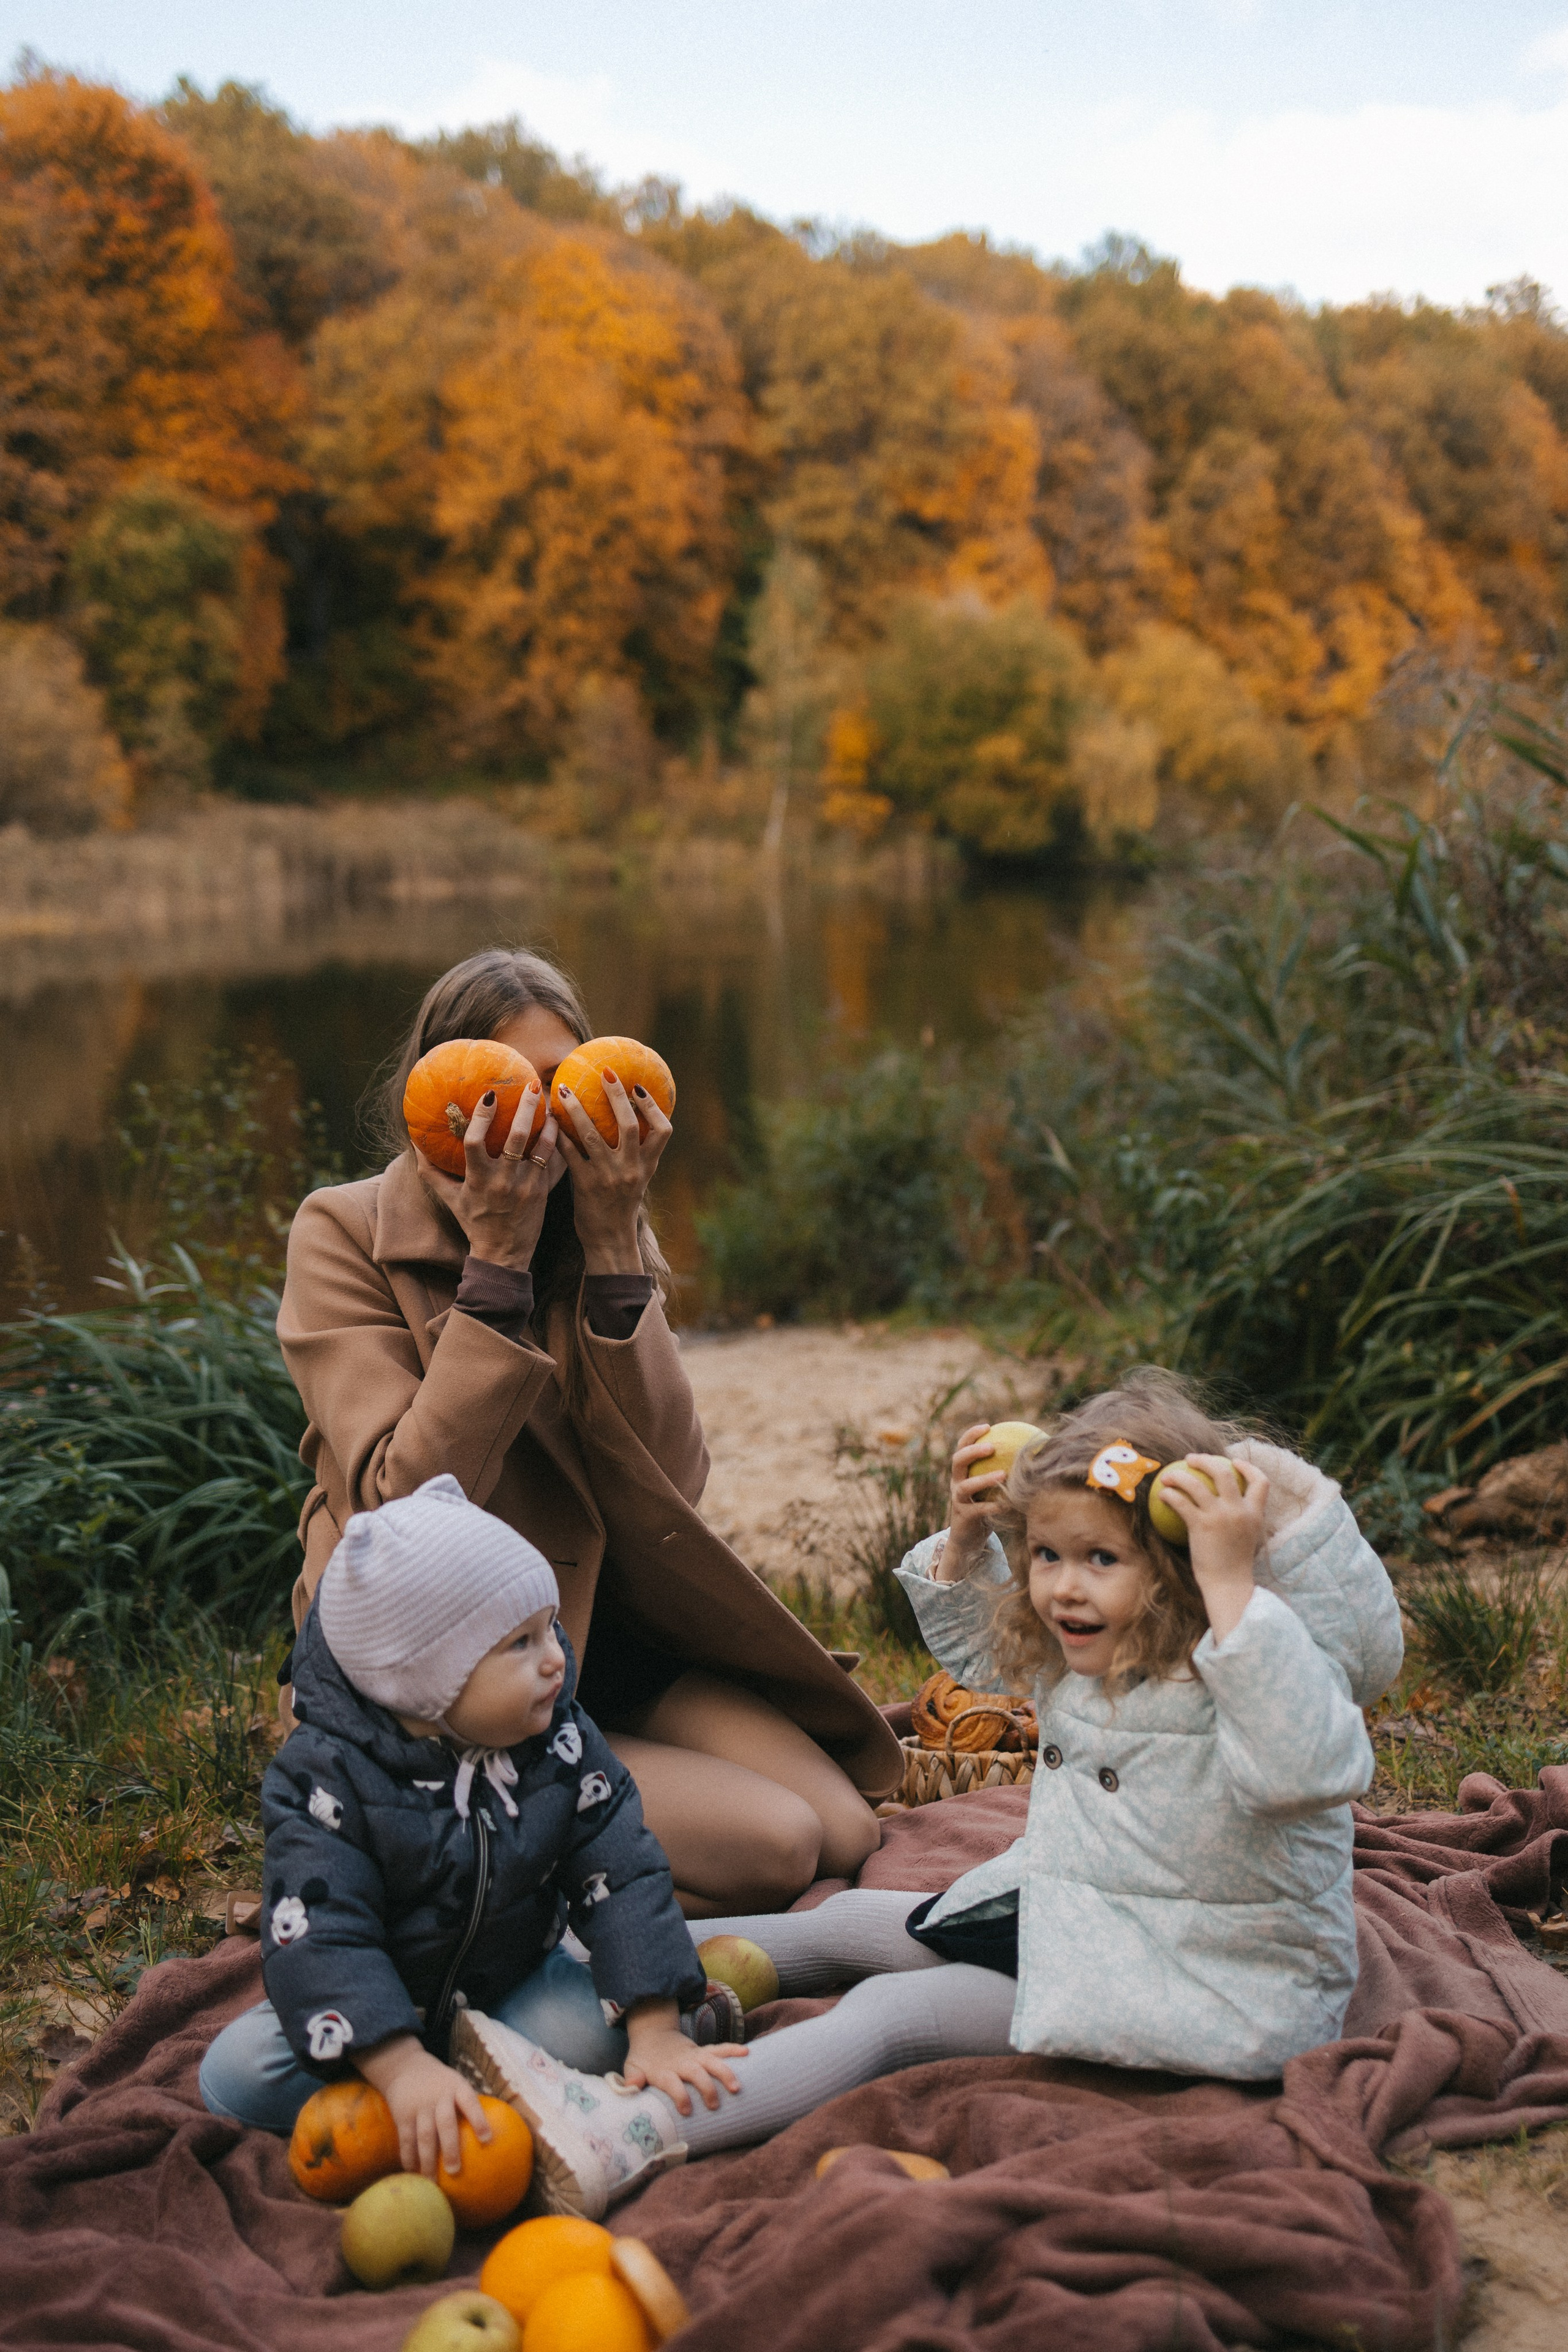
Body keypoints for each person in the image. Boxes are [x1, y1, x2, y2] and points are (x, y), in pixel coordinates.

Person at [447, 1370, 1404, 2218]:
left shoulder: (1245, 1662)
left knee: (889, 2020)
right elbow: (987, 1648)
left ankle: (628, 2132)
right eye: (1049, 1556)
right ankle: (564, 1953)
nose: (1064, 1589)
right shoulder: (1102, 1649)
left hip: (1201, 1984)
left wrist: (1236, 1582)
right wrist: (970, 1534)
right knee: (853, 1924)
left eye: (1101, 1560)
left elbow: (1308, 1769)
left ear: (1184, 1565)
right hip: (1101, 1914)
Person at [276, 946, 899, 1914]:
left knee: (850, 1829)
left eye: (560, 1089)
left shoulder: (593, 1216)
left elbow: (673, 1480)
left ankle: (563, 1882)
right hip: (449, 1676)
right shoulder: (344, 1232)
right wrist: (494, 1276)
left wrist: (613, 1247)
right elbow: (400, 1512)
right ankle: (478, 1904)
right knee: (779, 1849)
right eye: (503, 1094)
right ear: (442, 1100)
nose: (536, 1129)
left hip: (598, 1631)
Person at [199, 1476, 746, 2185]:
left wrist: (655, 2029)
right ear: (422, 1682)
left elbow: (625, 1871)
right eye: (518, 1643)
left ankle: (491, 2082)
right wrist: (397, 2069)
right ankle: (430, 2092)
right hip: (376, 2005)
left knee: (591, 2034)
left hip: (511, 1981)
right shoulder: (325, 1779)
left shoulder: (560, 1742)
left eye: (547, 1626)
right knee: (234, 2075)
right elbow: (322, 1931)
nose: (555, 1656)